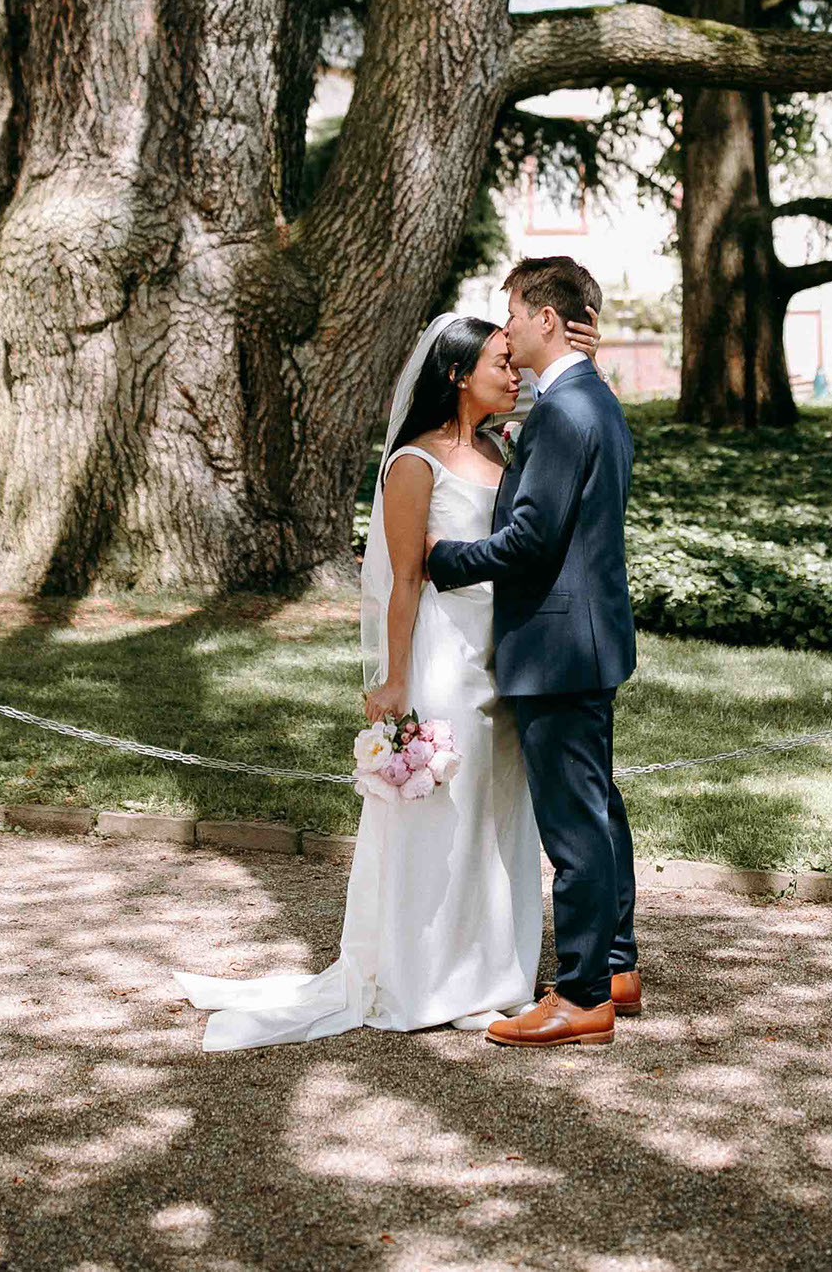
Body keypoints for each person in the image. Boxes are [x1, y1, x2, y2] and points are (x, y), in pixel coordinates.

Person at [171, 301, 603, 1051]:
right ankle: (427, 974)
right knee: (445, 817)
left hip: (505, 654)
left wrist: (582, 358)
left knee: (498, 815)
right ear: (457, 375)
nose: (515, 374)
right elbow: (403, 580)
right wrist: (396, 681)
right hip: (443, 657)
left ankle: (491, 973)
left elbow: (566, 421)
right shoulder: (414, 463)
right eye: (501, 363)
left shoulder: (505, 449)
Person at [427, 256, 638, 1048]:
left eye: (514, 313)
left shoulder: (562, 413)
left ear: (546, 318)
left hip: (556, 646)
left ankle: (582, 998)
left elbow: (528, 540)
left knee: (574, 829)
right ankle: (615, 965)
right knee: (598, 810)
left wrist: (443, 559)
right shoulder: (593, 398)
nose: (507, 331)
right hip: (587, 639)